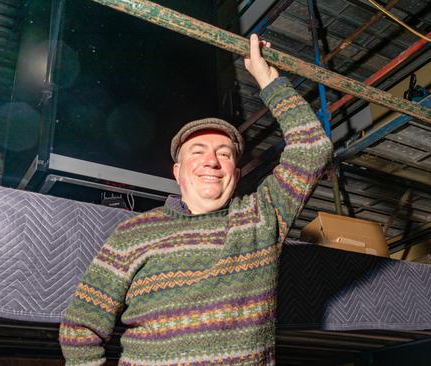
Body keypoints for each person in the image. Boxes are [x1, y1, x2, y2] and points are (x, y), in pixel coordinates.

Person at [59, 34, 332, 365]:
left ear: (237, 169)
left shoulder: (261, 217)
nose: (212, 162)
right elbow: (80, 329)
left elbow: (313, 149)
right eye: (198, 152)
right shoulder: (134, 233)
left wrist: (267, 79)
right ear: (177, 171)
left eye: (224, 153)